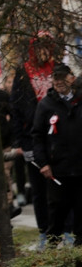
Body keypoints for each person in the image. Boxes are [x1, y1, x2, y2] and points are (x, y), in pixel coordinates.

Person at [12, 33, 59, 244]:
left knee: (60, 186)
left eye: (47, 46)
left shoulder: (57, 70)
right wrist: (20, 142)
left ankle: (64, 230)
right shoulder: (23, 73)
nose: (44, 51)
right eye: (40, 47)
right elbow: (15, 109)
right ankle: (43, 231)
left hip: (57, 138)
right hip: (32, 137)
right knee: (39, 189)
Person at [31, 63, 82, 246]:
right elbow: (37, 136)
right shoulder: (46, 104)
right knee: (56, 212)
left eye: (62, 77)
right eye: (55, 78)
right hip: (57, 170)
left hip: (79, 167)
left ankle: (78, 254)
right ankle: (51, 251)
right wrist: (43, 163)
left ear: (72, 78)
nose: (59, 82)